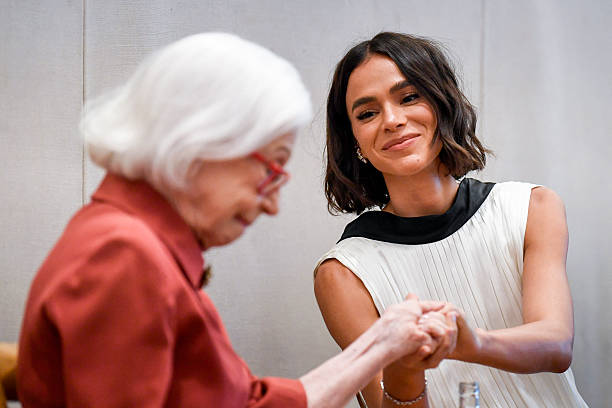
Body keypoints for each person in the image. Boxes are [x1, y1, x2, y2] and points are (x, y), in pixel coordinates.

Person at [17, 32, 456, 408]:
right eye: (271, 171)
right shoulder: (123, 255)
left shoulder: (123, 238)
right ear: (205, 145)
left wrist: (382, 344)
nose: (271, 206)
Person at [314, 32, 588, 407]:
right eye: (367, 113)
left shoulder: (532, 208)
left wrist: (471, 343)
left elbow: (556, 345)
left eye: (409, 97)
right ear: (355, 141)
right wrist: (406, 367)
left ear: (443, 103)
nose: (392, 120)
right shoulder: (343, 273)